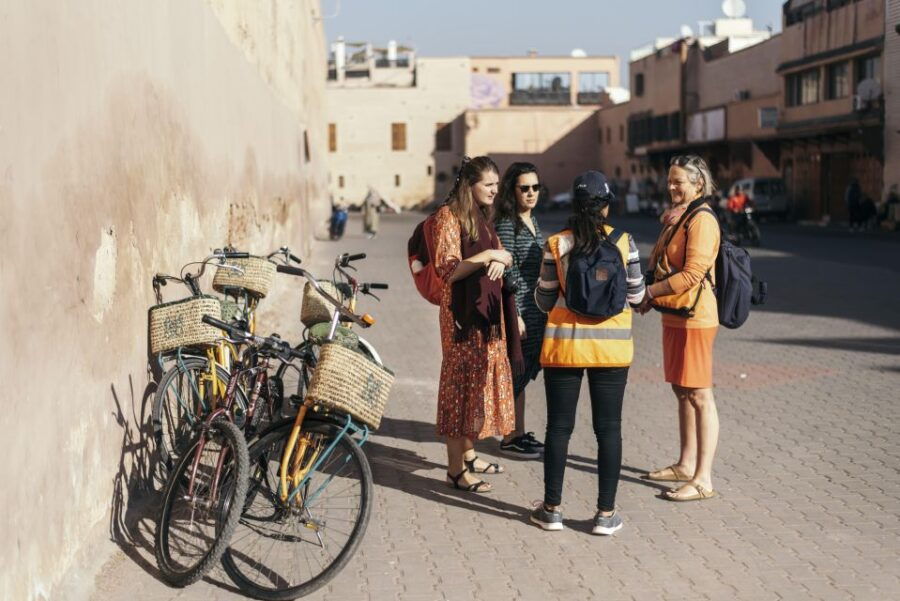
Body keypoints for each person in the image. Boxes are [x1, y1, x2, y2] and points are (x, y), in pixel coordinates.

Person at [529, 171, 646, 535]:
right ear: (606, 206)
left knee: (559, 428)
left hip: (565, 347)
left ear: (574, 206)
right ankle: (605, 514)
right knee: (608, 429)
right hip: (611, 351)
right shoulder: (626, 243)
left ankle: (552, 510)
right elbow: (638, 296)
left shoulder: (557, 244)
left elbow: (544, 298)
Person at [433, 156, 519, 494]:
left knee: (477, 385)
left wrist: (500, 259)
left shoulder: (483, 218)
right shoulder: (448, 217)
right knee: (460, 389)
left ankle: (468, 455)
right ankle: (455, 470)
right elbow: (448, 270)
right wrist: (488, 258)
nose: (495, 191)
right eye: (488, 185)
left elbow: (504, 253)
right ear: (470, 186)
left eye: (497, 185)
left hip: (487, 316)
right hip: (462, 319)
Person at [639, 154, 721, 502]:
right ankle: (686, 464)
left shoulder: (702, 220)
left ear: (698, 183)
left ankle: (703, 479)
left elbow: (692, 274)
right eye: (670, 181)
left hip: (695, 317)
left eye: (679, 182)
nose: (672, 186)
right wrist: (650, 296)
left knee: (700, 395)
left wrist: (649, 293)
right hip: (674, 314)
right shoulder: (678, 217)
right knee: (681, 390)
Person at [494, 162, 548, 459]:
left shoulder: (532, 220)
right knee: (517, 368)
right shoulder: (507, 222)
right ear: (511, 190)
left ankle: (517, 431)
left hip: (535, 306)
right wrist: (514, 315)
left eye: (535, 187)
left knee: (523, 370)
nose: (531, 193)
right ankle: (509, 434)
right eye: (524, 188)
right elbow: (504, 269)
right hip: (520, 308)